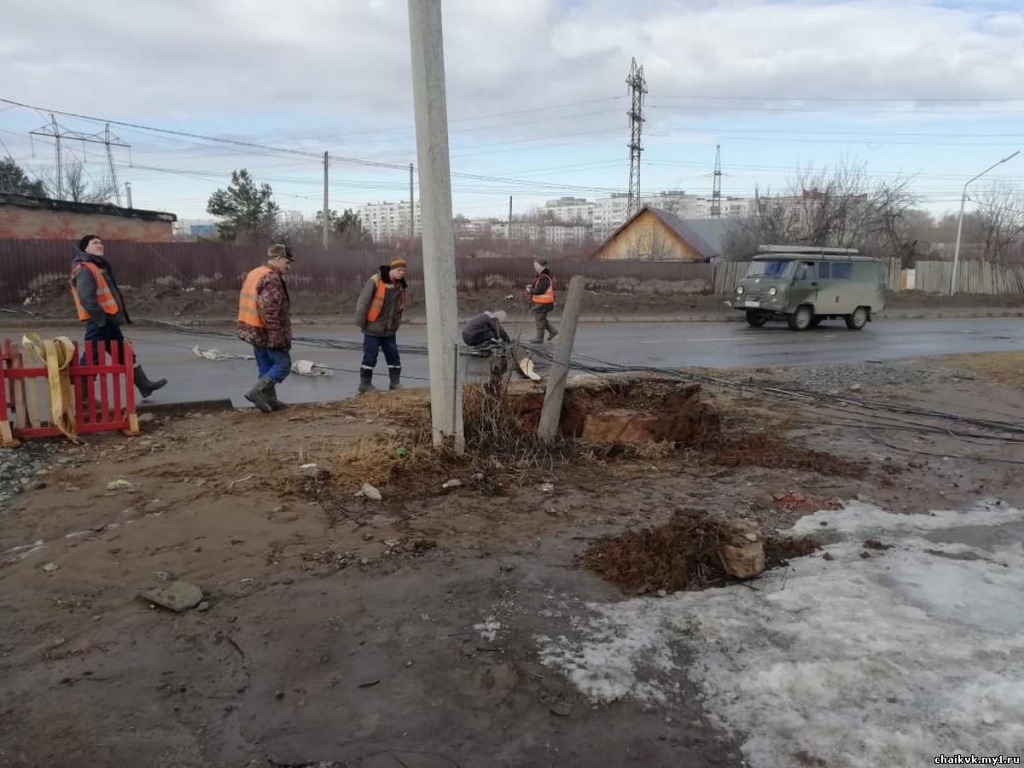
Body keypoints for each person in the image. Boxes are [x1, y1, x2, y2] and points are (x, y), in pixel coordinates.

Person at [70, 234, 167, 399]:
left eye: (101, 243)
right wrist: (100, 318)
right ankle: (84, 398)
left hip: (109, 321)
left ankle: (144, 385)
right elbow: (86, 298)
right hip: (99, 321)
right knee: (92, 358)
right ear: (85, 248)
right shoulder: (85, 268)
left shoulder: (98, 266)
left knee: (124, 354)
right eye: (95, 243)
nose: (100, 245)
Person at [237, 244, 294, 413]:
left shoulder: (255, 272)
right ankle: (257, 392)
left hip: (252, 328)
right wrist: (276, 334)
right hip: (266, 330)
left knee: (265, 365)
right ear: (277, 258)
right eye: (287, 261)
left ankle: (270, 400)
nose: (288, 266)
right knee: (283, 365)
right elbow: (269, 308)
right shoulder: (272, 278)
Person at [355, 257, 408, 393]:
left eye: (403, 270)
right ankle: (365, 384)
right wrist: (362, 323)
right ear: (392, 269)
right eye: (399, 270)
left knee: (394, 357)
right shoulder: (376, 280)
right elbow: (363, 302)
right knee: (370, 357)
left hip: (389, 330)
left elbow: (400, 307)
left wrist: (396, 325)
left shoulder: (401, 285)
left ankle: (395, 383)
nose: (401, 273)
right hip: (373, 328)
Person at [525, 257, 558, 343]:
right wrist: (532, 287)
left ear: (540, 265)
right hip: (542, 303)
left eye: (535, 265)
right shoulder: (542, 276)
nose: (534, 267)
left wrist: (530, 290)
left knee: (539, 320)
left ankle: (539, 338)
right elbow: (539, 287)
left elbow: (540, 290)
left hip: (543, 303)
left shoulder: (544, 277)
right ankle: (553, 331)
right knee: (542, 319)